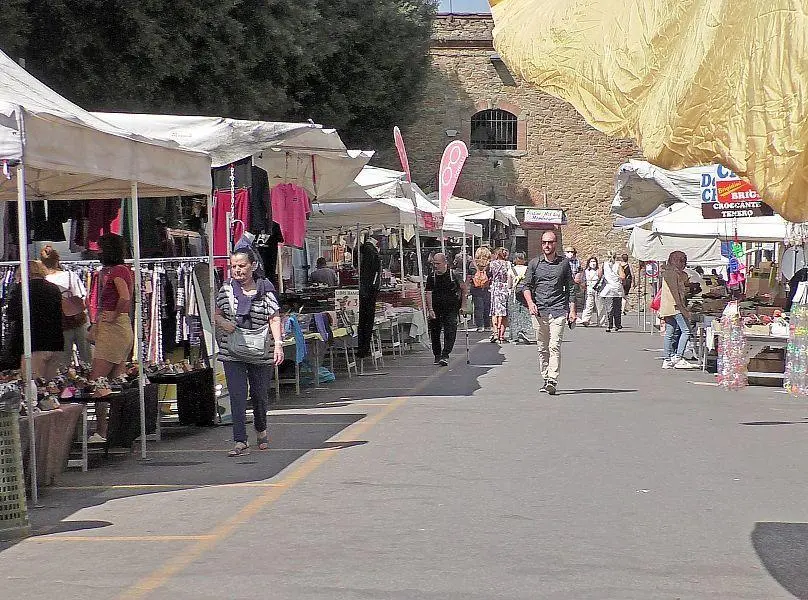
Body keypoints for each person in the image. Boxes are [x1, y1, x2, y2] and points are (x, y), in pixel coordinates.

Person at [215, 249, 285, 456]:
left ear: (252, 266)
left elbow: (274, 318)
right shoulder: (226, 290)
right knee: (236, 395)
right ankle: (240, 440)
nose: (237, 270)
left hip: (261, 350)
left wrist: (279, 344)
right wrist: (222, 322)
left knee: (259, 394)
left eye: (242, 265)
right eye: (234, 266)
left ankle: (261, 428)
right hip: (233, 351)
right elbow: (216, 314)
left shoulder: (265, 289)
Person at [88, 234, 134, 442]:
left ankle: (102, 430)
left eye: (101, 249)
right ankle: (119, 430)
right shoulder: (124, 270)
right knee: (117, 381)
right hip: (121, 327)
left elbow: (125, 297)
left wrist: (112, 315)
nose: (98, 252)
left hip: (114, 327)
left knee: (98, 380)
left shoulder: (117, 271)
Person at [520, 230, 576, 395]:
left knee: (554, 345)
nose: (547, 245)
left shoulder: (564, 264)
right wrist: (530, 303)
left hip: (558, 310)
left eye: (550, 242)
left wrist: (572, 310)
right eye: (544, 242)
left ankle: (552, 379)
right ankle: (545, 377)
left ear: (555, 244)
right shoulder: (534, 263)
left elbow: (571, 288)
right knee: (542, 347)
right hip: (539, 311)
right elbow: (526, 286)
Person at [3, 261, 64, 379]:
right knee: (51, 386)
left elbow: (12, 314)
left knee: (32, 385)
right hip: (55, 342)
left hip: (33, 343)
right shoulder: (54, 288)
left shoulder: (22, 289)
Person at [40, 245, 91, 366]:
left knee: (62, 363)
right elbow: (82, 297)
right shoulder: (70, 275)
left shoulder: (43, 280)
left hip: (58, 324)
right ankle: (92, 382)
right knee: (88, 357)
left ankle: (66, 383)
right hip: (78, 319)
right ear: (57, 261)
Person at [425, 252, 466, 367]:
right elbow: (428, 293)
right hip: (436, 308)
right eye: (434, 263)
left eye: (438, 263)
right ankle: (437, 354)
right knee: (435, 332)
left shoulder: (454, 275)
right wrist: (430, 309)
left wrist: (463, 305)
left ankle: (445, 354)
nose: (435, 266)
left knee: (450, 331)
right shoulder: (431, 276)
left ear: (445, 263)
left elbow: (464, 289)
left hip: (451, 308)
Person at [660, 251, 698, 369]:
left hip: (669, 306)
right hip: (675, 306)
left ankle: (668, 359)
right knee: (686, 331)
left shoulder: (672, 273)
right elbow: (674, 292)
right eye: (679, 260)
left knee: (670, 332)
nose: (682, 263)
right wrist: (682, 309)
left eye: (684, 260)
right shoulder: (671, 274)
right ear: (672, 260)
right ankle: (678, 357)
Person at [507, 252, 533, 343]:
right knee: (525, 312)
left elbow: (509, 285)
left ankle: (516, 333)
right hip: (526, 293)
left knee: (515, 313)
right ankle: (525, 331)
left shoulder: (511, 270)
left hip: (515, 293)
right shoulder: (528, 269)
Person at [488, 247, 511, 343]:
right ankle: (501, 335)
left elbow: (489, 275)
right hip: (504, 288)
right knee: (504, 312)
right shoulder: (508, 264)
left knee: (495, 312)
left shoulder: (492, 264)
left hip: (495, 288)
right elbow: (510, 276)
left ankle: (495, 333)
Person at [599, 251, 625, 332]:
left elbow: (599, 274)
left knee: (609, 308)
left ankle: (609, 325)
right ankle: (617, 325)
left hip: (608, 288)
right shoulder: (618, 265)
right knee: (617, 308)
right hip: (617, 289)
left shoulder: (604, 264)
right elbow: (622, 276)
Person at [579, 256, 606, 327]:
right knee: (588, 305)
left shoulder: (598, 270)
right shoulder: (586, 271)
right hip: (589, 289)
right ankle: (585, 320)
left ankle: (601, 322)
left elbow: (602, 278)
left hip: (598, 289)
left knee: (600, 306)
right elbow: (583, 280)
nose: (593, 263)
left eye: (594, 261)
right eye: (591, 261)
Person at [470, 247, 492, 332]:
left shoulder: (473, 264)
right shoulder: (489, 264)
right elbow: (491, 275)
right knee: (487, 307)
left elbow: (470, 276)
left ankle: (480, 326)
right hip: (486, 287)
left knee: (478, 307)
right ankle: (487, 325)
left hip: (476, 288)